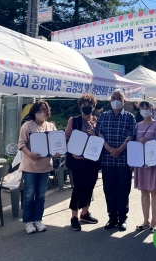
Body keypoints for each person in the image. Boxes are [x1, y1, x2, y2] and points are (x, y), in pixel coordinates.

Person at [95, 89, 136, 231]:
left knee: (124, 190)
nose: (116, 100)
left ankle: (123, 219)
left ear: (124, 101)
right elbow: (99, 133)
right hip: (107, 160)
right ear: (110, 100)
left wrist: (119, 150)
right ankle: (112, 217)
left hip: (124, 160)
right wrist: (108, 148)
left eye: (119, 97)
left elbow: (131, 136)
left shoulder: (130, 117)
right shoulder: (103, 116)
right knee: (109, 189)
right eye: (113, 97)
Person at [18, 100, 59, 234]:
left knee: (41, 195)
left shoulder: (51, 127)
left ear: (48, 112)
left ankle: (38, 219)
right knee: (29, 195)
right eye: (39, 110)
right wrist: (30, 154)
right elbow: (21, 144)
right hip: (30, 166)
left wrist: (57, 152)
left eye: (44, 110)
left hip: (45, 166)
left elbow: (56, 145)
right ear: (34, 112)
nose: (42, 113)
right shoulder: (27, 126)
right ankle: (28, 222)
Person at [65, 94, 101, 231]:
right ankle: (74, 216)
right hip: (78, 161)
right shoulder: (74, 120)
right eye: (84, 105)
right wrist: (72, 151)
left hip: (93, 160)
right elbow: (66, 137)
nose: (87, 108)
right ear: (80, 106)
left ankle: (84, 213)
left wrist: (95, 135)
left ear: (94, 106)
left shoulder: (97, 120)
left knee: (90, 186)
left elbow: (100, 139)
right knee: (79, 187)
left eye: (89, 105)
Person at [134, 101, 156, 233]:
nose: (145, 110)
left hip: (153, 163)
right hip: (140, 163)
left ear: (152, 110)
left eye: (147, 108)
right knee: (144, 191)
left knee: (154, 191)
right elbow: (134, 145)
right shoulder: (137, 125)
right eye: (142, 108)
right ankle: (145, 221)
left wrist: (147, 143)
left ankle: (154, 221)